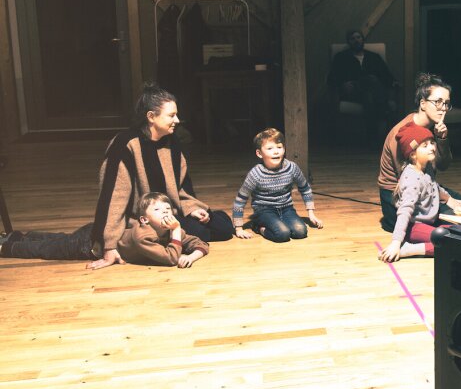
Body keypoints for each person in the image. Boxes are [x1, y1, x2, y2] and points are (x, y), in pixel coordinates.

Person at [89, 83, 232, 270]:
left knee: (223, 227)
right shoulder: (125, 144)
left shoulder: (171, 141)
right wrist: (108, 245)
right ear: (151, 117)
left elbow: (182, 185)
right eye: (172, 115)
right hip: (143, 219)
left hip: (169, 213)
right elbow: (113, 197)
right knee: (199, 232)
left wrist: (191, 208)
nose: (178, 120)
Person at [1, 192, 208, 268]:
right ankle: (6, 247)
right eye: (157, 209)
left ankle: (17, 235)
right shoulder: (142, 235)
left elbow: (200, 244)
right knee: (48, 249)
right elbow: (171, 258)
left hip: (94, 233)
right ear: (144, 219)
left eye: (167, 208)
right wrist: (176, 233)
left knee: (57, 239)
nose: (165, 212)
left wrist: (192, 257)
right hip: (89, 245)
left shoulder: (173, 231)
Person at [377, 73, 461, 232]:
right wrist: (445, 200)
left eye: (446, 103)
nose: (443, 108)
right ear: (423, 104)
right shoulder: (402, 133)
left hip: (424, 183)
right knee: (459, 227)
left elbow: (442, 166)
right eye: (437, 102)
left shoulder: (430, 129)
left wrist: (442, 139)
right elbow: (409, 182)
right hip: (399, 194)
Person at [378, 123, 461, 262]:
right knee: (452, 244)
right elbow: (405, 210)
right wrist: (395, 242)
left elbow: (433, 186)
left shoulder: (426, 167)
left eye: (432, 143)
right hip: (414, 228)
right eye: (425, 146)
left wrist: (449, 199)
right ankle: (410, 249)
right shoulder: (412, 179)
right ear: (413, 154)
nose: (432, 147)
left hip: (428, 224)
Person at [232, 128, 323, 242]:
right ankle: (258, 227)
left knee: (301, 232)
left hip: (286, 208)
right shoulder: (256, 174)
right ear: (259, 153)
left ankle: (280, 222)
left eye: (279, 147)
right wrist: (238, 228)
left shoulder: (292, 167)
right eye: (270, 148)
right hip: (264, 210)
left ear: (284, 149)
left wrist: (311, 213)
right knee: (282, 234)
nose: (276, 151)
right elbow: (240, 200)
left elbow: (305, 188)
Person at [328, 28, 397, 137]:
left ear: (363, 40)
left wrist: (392, 97)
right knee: (371, 80)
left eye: (358, 37)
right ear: (348, 42)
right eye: (352, 38)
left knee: (368, 95)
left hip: (370, 94)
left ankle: (372, 137)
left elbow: (388, 78)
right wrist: (343, 85)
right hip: (351, 92)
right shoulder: (341, 57)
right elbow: (332, 79)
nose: (356, 40)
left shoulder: (374, 57)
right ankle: (384, 110)